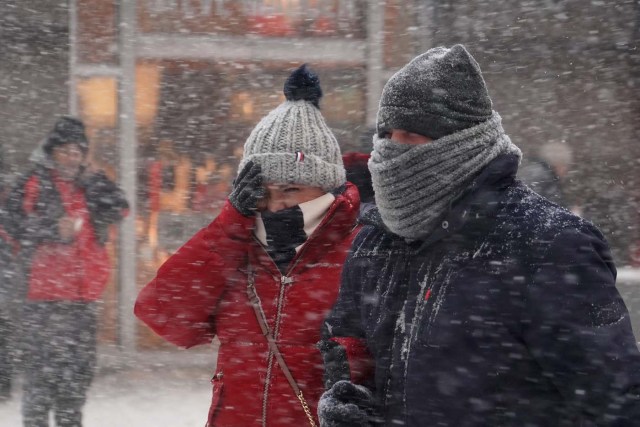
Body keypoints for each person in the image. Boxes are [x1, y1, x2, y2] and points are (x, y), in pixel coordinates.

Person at [318, 45, 640, 426]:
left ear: (459, 140)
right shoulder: (376, 242)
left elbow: (614, 402)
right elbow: (356, 359)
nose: (390, 149)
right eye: (385, 134)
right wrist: (353, 406)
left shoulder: (548, 245)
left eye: (409, 134)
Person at [135, 64, 362, 426]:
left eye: (291, 189)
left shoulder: (362, 249)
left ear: (327, 187)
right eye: (263, 193)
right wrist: (229, 227)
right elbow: (165, 316)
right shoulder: (237, 246)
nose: (275, 206)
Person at [4, 116, 129, 426]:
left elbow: (121, 208)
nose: (72, 157)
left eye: (77, 151)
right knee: (41, 374)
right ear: (52, 152)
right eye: (65, 151)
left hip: (82, 296)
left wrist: (96, 181)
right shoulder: (33, 182)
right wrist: (49, 229)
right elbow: (9, 223)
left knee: (77, 374)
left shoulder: (90, 183)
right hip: (42, 296)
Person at [518, 141, 572, 207]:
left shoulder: (532, 171)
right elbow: (554, 211)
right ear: (557, 163)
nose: (566, 170)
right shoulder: (546, 180)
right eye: (564, 165)